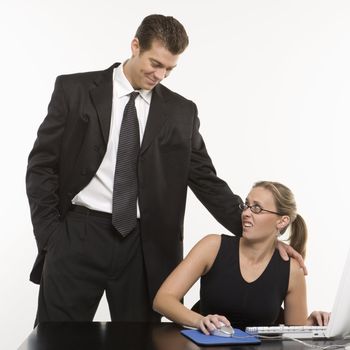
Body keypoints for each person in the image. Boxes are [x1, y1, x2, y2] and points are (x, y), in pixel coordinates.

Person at [26, 15, 304, 325]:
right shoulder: (74, 89)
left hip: (145, 246)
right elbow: (42, 166)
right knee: (56, 338)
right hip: (78, 233)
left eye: (170, 69)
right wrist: (52, 236)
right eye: (155, 63)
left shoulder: (181, 111)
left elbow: (205, 180)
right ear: (135, 46)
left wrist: (256, 235)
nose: (160, 75)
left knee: (142, 342)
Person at [153, 181, 330, 333]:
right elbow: (163, 300)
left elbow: (295, 336)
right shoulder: (212, 246)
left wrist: (313, 324)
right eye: (246, 205)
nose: (246, 213)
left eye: (257, 208)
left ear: (282, 221)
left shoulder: (292, 270)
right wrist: (199, 321)